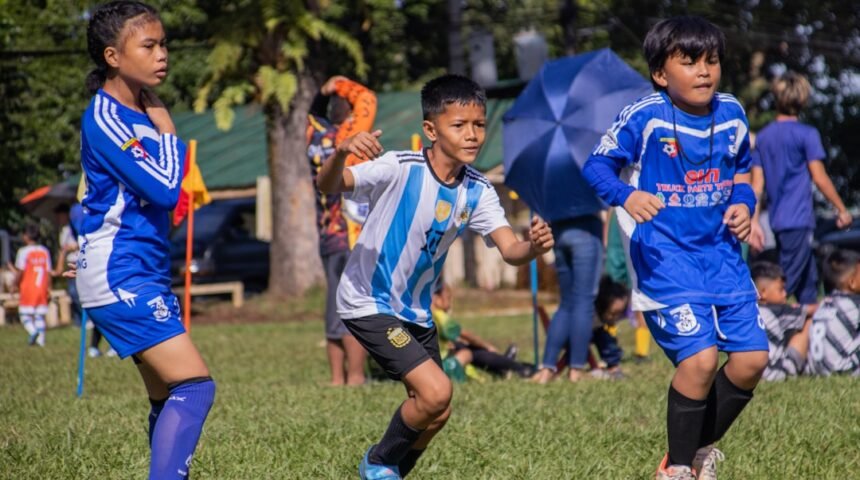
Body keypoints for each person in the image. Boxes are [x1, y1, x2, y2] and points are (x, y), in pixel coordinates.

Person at [316, 73, 554, 479]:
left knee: (437, 411)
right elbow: (330, 184)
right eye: (459, 125)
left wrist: (533, 247)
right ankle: (376, 462)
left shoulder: (478, 190)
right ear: (430, 129)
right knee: (437, 391)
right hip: (367, 300)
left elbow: (511, 250)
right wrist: (340, 152)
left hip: (416, 311)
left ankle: (391, 472)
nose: (473, 135)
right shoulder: (399, 167)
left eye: (479, 125)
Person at [583, 16, 769, 480]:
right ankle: (679, 469)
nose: (704, 71)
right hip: (665, 257)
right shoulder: (644, 116)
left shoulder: (732, 114)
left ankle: (695, 449)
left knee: (751, 361)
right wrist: (628, 195)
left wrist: (745, 205)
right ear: (661, 74)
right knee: (701, 360)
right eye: (689, 62)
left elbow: (742, 173)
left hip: (722, 256)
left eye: (711, 60)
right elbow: (596, 167)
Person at [76, 2, 215, 478]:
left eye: (164, 44)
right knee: (194, 387)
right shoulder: (108, 117)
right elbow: (163, 187)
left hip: (142, 270)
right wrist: (171, 135)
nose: (163, 54)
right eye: (149, 45)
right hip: (118, 272)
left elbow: (162, 203)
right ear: (113, 56)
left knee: (165, 396)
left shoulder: (139, 113)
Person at [749, 72, 852, 314]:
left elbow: (756, 186)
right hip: (798, 219)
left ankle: (808, 344)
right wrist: (841, 208)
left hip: (778, 220)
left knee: (808, 286)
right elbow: (819, 176)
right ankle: (758, 328)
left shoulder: (763, 137)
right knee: (783, 285)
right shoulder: (806, 134)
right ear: (802, 100)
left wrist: (754, 222)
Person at [307, 75, 376, 386]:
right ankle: (356, 376)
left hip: (327, 235)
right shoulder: (353, 135)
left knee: (334, 303)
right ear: (349, 114)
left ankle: (337, 378)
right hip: (353, 234)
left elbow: (312, 113)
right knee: (356, 304)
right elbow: (368, 98)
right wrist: (341, 84)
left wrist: (324, 92)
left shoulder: (316, 137)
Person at [431, 282, 534, 382]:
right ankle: (517, 367)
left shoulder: (429, 315)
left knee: (462, 346)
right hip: (441, 365)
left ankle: (505, 368)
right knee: (471, 350)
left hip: (436, 362)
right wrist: (487, 346)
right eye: (448, 298)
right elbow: (467, 335)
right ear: (436, 299)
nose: (451, 303)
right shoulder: (440, 316)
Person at [751, 261, 811, 381]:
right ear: (763, 292)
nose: (785, 294)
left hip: (748, 373)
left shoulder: (748, 310)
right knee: (808, 321)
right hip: (774, 373)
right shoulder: (778, 310)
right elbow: (811, 310)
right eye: (781, 289)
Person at [806, 250, 860, 376]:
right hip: (844, 370)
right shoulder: (855, 304)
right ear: (852, 282)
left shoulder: (825, 303)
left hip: (818, 371)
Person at [9, 224, 52, 347]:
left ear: (26, 236)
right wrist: (50, 287)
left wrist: (14, 284)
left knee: (24, 315)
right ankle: (41, 341)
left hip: (28, 287)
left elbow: (20, 271)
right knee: (40, 315)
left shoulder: (23, 252)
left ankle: (33, 332)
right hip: (42, 287)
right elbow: (48, 272)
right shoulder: (45, 251)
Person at [588, 276, 629, 380]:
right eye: (613, 313)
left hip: (593, 333)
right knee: (605, 339)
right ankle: (613, 366)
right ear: (602, 305)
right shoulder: (592, 317)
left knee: (607, 337)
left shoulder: (600, 321)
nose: (616, 318)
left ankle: (614, 365)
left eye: (620, 314)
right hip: (579, 338)